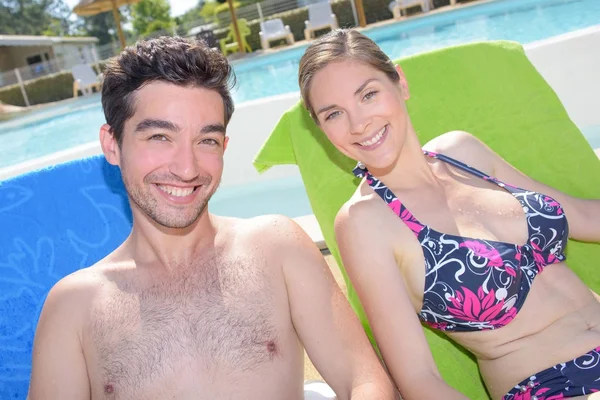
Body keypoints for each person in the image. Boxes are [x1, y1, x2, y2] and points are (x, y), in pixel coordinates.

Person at [27, 36, 398, 400]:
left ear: (224, 147)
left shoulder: (275, 247)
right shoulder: (74, 307)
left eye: (207, 141)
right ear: (112, 144)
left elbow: (363, 380)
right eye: (159, 137)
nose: (187, 168)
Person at [298, 28, 600, 400]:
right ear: (322, 129)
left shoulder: (463, 153)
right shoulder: (364, 223)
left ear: (400, 83)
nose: (358, 123)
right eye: (334, 114)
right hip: (554, 385)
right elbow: (418, 379)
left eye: (369, 94)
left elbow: (585, 217)